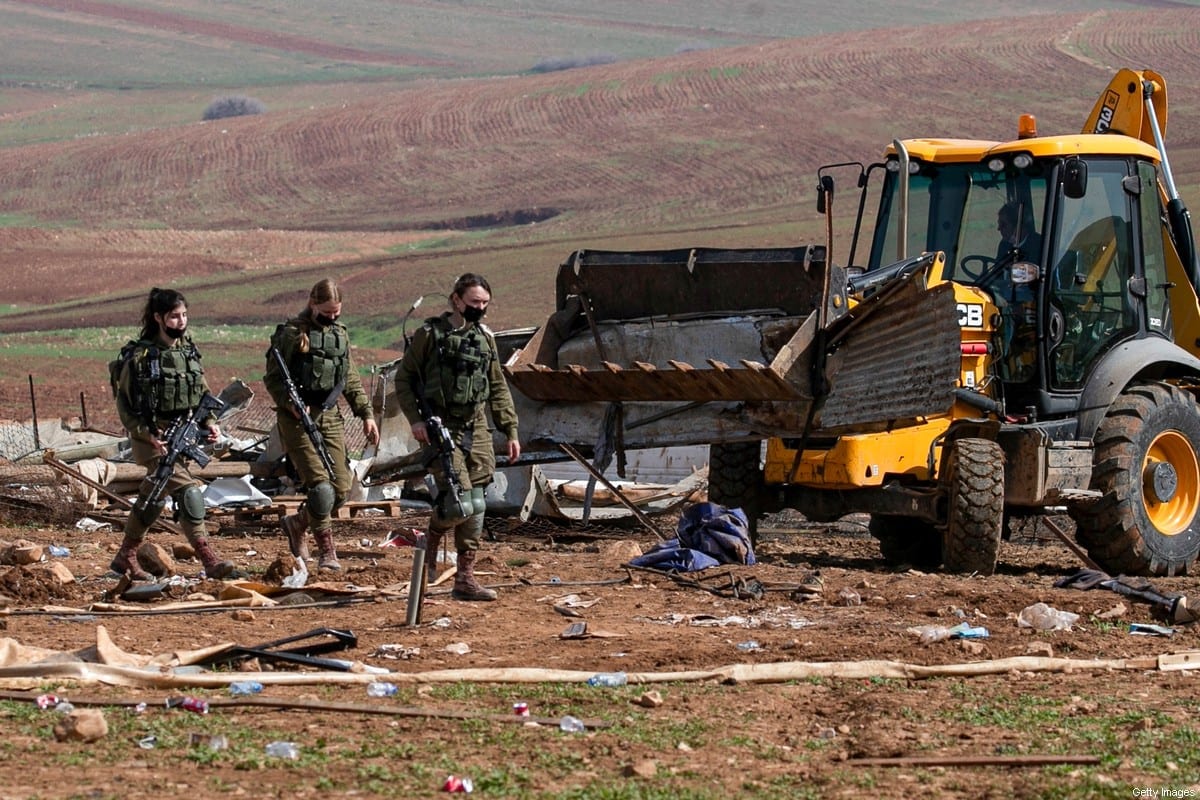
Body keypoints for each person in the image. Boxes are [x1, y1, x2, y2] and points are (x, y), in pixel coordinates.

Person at [394, 273, 520, 601]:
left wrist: (510, 429)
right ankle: (432, 538)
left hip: (476, 428)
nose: (479, 309)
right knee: (462, 503)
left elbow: (497, 386)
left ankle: (464, 578)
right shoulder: (429, 335)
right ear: (456, 300)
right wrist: (416, 420)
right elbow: (404, 379)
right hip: (441, 427)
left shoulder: (484, 338)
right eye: (474, 302)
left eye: (484, 304)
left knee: (477, 505)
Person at [112, 288, 243, 580]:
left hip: (182, 434)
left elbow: (203, 392)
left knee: (153, 497)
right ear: (158, 317)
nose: (181, 321)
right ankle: (209, 559)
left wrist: (210, 422)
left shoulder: (187, 351)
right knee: (189, 493)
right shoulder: (140, 357)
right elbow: (124, 405)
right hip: (153, 439)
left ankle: (126, 555)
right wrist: (146, 434)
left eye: (184, 315)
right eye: (174, 316)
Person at [264, 278, 380, 571]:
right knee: (321, 488)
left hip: (329, 417)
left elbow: (349, 377)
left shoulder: (339, 334)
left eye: (336, 312)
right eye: (326, 312)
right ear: (312, 304)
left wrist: (365, 413)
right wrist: (289, 403)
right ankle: (328, 552)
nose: (331, 317)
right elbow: (274, 378)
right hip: (296, 419)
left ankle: (298, 522)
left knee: (341, 489)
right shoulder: (292, 334)